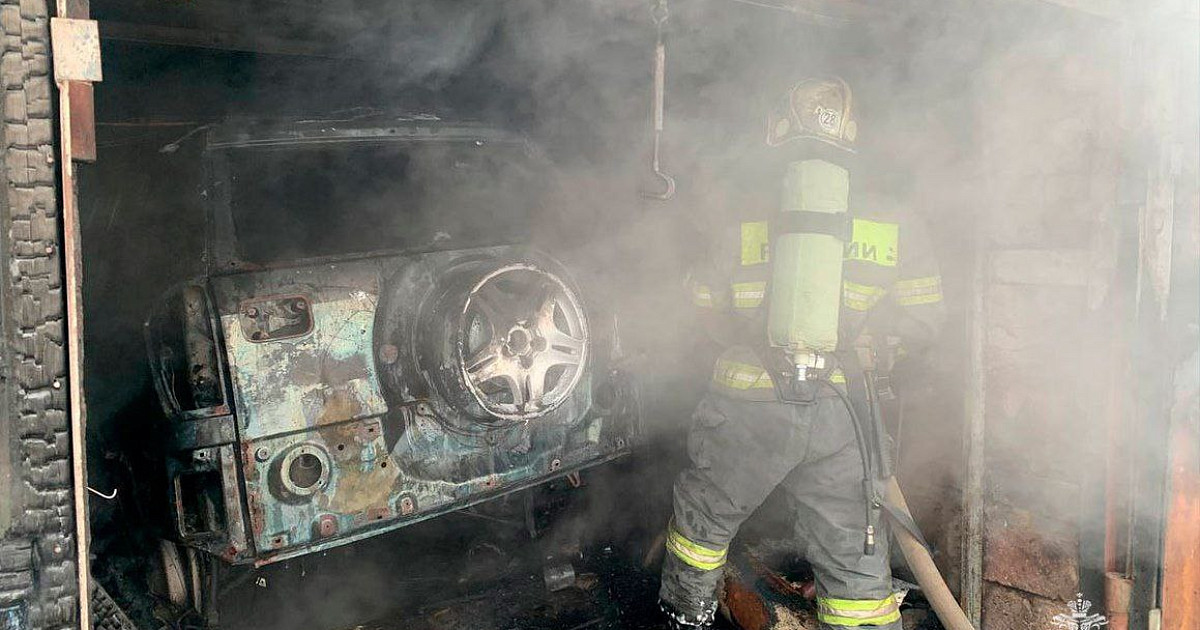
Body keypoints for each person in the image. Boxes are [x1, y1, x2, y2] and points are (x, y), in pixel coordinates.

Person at [658, 77, 946, 630]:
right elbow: (924, 318)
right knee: (855, 562)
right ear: (852, 136)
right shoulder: (894, 221)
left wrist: (744, 338)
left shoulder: (737, 211)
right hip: (844, 413)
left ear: (776, 132)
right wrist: (871, 350)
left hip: (748, 406)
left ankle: (687, 618)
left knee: (703, 527)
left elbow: (700, 304)